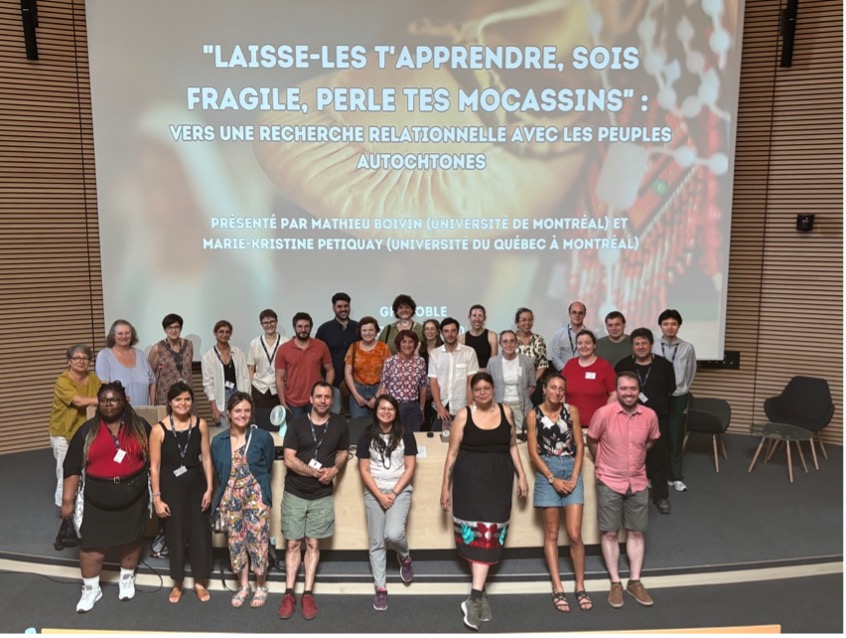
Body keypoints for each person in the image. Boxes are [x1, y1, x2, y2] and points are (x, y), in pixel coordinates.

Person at [440, 372, 529, 630]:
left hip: (500, 481)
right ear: (472, 392)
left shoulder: (506, 412)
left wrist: (522, 476)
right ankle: (476, 597)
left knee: (492, 537)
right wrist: (445, 488)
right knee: (478, 537)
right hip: (469, 483)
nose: (481, 392)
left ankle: (479, 595)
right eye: (477, 388)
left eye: (486, 388)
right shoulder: (463, 416)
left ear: (493, 389)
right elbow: (452, 454)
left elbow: (512, 446)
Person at [60, 382, 151, 613]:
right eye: (103, 400)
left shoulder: (140, 427)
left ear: (124, 401)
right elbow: (71, 467)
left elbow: (156, 462)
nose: (108, 404)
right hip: (97, 499)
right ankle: (91, 589)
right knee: (92, 547)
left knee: (131, 539)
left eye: (114, 400)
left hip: (133, 496)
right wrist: (67, 501)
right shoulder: (87, 430)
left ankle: (127, 578)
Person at [587, 372, 660, 609]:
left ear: (639, 390)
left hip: (638, 480)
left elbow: (651, 441)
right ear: (616, 390)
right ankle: (616, 582)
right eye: (623, 388)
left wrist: (634, 460)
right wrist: (603, 464)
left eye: (633, 389)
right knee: (610, 532)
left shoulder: (649, 415)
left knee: (636, 531)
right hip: (609, 480)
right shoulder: (603, 414)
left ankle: (635, 581)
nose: (628, 393)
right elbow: (592, 440)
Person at [279, 381, 350, 621]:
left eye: (327, 397)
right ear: (310, 399)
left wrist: (336, 469)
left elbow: (343, 452)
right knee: (292, 544)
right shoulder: (297, 424)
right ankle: (289, 593)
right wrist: (316, 472)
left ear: (332, 400)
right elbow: (288, 459)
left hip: (321, 496)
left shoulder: (340, 423)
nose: (322, 400)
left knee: (312, 544)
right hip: (295, 492)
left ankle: (307, 593)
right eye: (318, 396)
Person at [525, 374, 590, 613]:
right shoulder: (533, 415)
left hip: (570, 467)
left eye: (561, 388)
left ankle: (580, 586)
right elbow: (533, 452)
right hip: (547, 472)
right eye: (553, 387)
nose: (557, 391)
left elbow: (580, 446)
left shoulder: (571, 411)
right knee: (552, 532)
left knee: (574, 534)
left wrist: (574, 476)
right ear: (544, 388)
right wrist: (553, 479)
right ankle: (557, 586)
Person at [149, 382, 214, 603]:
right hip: (170, 486)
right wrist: (156, 497)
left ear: (192, 401)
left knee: (199, 532)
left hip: (197, 485)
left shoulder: (201, 424)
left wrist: (209, 488)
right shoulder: (159, 429)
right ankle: (178, 582)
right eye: (178, 400)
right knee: (174, 533)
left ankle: (198, 581)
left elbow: (206, 458)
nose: (183, 403)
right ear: (170, 402)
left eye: (187, 399)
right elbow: (154, 466)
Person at [211, 392, 275, 608]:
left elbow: (267, 466)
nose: (242, 415)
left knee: (258, 542)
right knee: (236, 543)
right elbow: (218, 471)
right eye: (237, 410)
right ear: (228, 413)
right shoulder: (218, 441)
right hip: (230, 500)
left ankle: (261, 586)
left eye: (247, 410)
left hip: (256, 498)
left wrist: (257, 490)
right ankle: (244, 586)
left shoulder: (262, 437)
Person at [356, 394, 418, 611]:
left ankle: (405, 557)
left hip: (399, 489)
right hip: (374, 491)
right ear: (376, 411)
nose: (386, 412)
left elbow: (410, 467)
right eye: (382, 408)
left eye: (390, 409)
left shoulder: (406, 434)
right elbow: (363, 470)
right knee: (376, 542)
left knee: (393, 534)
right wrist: (380, 495)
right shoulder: (366, 436)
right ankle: (380, 588)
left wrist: (393, 492)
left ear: (396, 412)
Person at [616, 327, 677, 514]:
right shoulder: (622, 365)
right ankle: (624, 494)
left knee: (658, 458)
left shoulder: (664, 366)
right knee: (628, 457)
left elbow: (670, 390)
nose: (641, 347)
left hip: (657, 419)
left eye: (644, 343)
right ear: (632, 345)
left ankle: (661, 496)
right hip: (628, 419)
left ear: (651, 345)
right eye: (637, 344)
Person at [50, 344, 101, 550]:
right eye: (77, 358)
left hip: (85, 434)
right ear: (69, 361)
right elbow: (79, 401)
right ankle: (66, 518)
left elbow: (102, 390)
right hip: (64, 434)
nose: (81, 361)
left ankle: (76, 512)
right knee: (66, 474)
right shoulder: (63, 380)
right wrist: (104, 399)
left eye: (85, 358)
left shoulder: (93, 378)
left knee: (83, 473)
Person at [653, 309, 697, 492]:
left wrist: (682, 389)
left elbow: (691, 372)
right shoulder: (653, 346)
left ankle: (675, 476)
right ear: (660, 326)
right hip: (658, 397)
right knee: (655, 437)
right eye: (666, 324)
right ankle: (655, 475)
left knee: (675, 436)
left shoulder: (687, 348)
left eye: (673, 324)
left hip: (678, 397)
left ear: (679, 326)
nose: (669, 327)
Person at [275, 312, 334, 419]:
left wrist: (326, 391)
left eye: (306, 326)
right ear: (294, 328)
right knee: (299, 433)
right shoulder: (283, 349)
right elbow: (279, 378)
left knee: (317, 431)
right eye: (300, 326)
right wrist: (283, 403)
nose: (303, 329)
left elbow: (330, 370)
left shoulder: (321, 346)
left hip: (316, 400)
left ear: (311, 327)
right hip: (293, 402)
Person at [429, 317, 480, 432]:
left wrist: (469, 407)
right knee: (438, 441)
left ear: (458, 332)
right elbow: (433, 382)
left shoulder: (469, 352)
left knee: (465, 440)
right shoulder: (435, 354)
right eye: (446, 331)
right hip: (442, 406)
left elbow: (470, 382)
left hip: (462, 406)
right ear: (441, 333)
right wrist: (439, 407)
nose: (450, 334)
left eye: (453, 331)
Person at [561, 330, 616, 428]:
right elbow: (561, 392)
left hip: (598, 425)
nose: (583, 346)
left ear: (594, 345)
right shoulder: (570, 365)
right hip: (571, 424)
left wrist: (604, 415)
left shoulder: (604, 366)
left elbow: (614, 393)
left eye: (588, 343)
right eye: (580, 343)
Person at [316, 292, 360, 413]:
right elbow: (317, 356)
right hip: (332, 383)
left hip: (355, 384)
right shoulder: (324, 329)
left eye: (346, 306)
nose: (343, 309)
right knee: (332, 418)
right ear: (333, 308)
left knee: (355, 420)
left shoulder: (358, 328)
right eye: (339, 306)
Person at [201, 320, 250, 427]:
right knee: (226, 432)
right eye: (221, 331)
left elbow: (246, 378)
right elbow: (208, 385)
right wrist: (214, 408)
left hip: (238, 394)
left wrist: (247, 400)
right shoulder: (208, 357)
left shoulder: (238, 353)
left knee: (241, 428)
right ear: (215, 333)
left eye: (227, 332)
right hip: (221, 398)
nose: (224, 334)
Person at [377, 330, 428, 432]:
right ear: (398, 344)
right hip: (394, 406)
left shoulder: (420, 362)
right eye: (404, 342)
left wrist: (421, 409)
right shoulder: (390, 362)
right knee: (394, 437)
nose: (407, 345)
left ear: (415, 344)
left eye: (411, 342)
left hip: (413, 407)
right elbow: (383, 387)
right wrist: (383, 409)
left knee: (413, 439)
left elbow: (423, 388)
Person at [95, 319, 154, 404]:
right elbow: (104, 387)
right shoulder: (104, 356)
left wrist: (153, 406)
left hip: (144, 413)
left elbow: (153, 382)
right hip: (118, 414)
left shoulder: (140, 354)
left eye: (127, 333)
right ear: (113, 336)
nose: (124, 336)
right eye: (120, 333)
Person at [487, 330, 535, 434]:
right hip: (499, 405)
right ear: (500, 344)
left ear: (516, 343)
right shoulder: (492, 362)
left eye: (512, 341)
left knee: (522, 436)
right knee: (499, 435)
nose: (509, 344)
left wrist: (524, 395)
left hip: (521, 406)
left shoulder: (527, 361)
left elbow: (532, 385)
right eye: (505, 341)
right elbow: (488, 386)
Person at [344, 316, 391, 419]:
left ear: (376, 331)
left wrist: (377, 396)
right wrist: (356, 395)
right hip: (358, 390)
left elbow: (387, 374)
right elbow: (347, 372)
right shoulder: (354, 347)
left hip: (379, 389)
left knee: (380, 423)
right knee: (358, 426)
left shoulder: (384, 348)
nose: (367, 333)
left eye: (371, 330)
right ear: (360, 332)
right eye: (364, 330)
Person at [148, 313, 194, 406]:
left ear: (181, 328)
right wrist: (152, 402)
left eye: (177, 327)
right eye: (170, 327)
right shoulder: (157, 348)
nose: (174, 330)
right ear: (165, 330)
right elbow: (151, 376)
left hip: (186, 395)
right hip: (166, 397)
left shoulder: (189, 345)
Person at [247, 309, 286, 409]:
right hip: (260, 388)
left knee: (280, 422)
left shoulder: (286, 342)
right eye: (265, 323)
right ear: (261, 324)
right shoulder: (254, 343)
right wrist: (252, 386)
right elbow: (250, 368)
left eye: (272, 321)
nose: (269, 325)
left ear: (276, 322)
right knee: (262, 421)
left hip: (280, 389)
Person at [550, 301, 590, 372]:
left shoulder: (591, 335)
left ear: (584, 315)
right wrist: (565, 370)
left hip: (584, 372)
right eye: (574, 312)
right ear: (569, 314)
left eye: (580, 313)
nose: (577, 315)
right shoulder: (559, 334)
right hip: (563, 374)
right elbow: (555, 356)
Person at [514, 307, 548, 383]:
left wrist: (532, 382)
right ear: (517, 322)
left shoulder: (538, 340)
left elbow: (542, 364)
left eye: (530, 320)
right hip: (514, 383)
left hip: (535, 383)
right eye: (524, 320)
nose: (527, 323)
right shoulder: (511, 340)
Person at [458, 304, 498, 370]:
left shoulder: (492, 335)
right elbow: (461, 363)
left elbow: (493, 363)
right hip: (468, 376)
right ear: (469, 317)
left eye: (480, 316)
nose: (477, 319)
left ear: (485, 318)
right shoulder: (461, 338)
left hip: (486, 375)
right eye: (474, 315)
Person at [419, 319, 442, 429]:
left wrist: (434, 387)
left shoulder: (444, 347)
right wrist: (425, 386)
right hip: (422, 390)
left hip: (440, 389)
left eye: (432, 329)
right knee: (424, 421)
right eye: (427, 329)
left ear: (438, 331)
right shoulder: (419, 347)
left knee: (437, 421)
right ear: (423, 332)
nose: (429, 331)